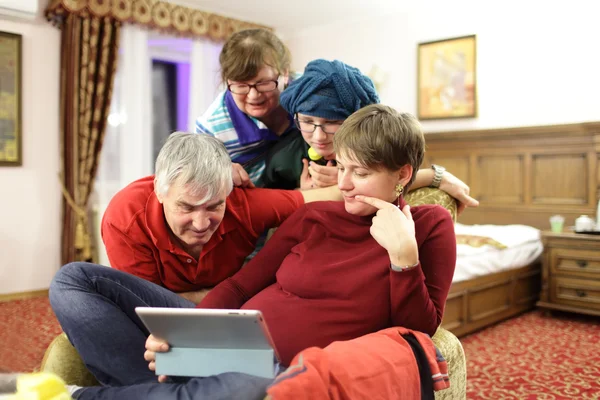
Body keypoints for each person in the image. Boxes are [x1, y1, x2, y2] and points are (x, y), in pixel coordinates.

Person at [52, 104, 456, 399]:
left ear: (402, 174)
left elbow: (415, 333)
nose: (345, 184)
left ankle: (77, 396)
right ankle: (166, 392)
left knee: (248, 386)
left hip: (275, 370)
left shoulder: (429, 227)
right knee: (74, 279)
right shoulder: (314, 218)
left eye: (361, 173)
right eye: (341, 167)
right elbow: (241, 285)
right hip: (225, 338)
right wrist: (191, 339)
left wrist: (404, 258)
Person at [195, 29, 478, 213]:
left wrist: (349, 172)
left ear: (283, 75)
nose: (254, 95)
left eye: (263, 83)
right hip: (259, 211)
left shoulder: (312, 92)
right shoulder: (213, 128)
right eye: (240, 86)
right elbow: (258, 202)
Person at [98, 132, 339, 302]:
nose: (201, 224)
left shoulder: (243, 205)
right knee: (74, 282)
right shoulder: (125, 218)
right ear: (160, 190)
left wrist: (351, 173)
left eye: (214, 207)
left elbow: (329, 196)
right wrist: (218, 296)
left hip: (225, 314)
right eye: (187, 208)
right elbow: (147, 306)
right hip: (155, 324)